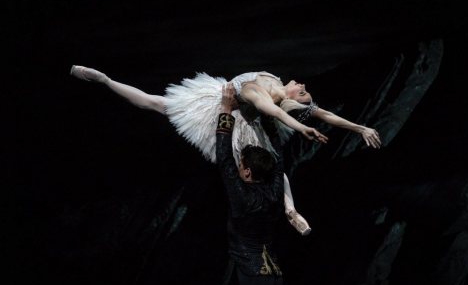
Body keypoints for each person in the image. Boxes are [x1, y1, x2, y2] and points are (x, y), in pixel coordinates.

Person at [70, 65, 381, 234]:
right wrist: (300, 127)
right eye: (304, 91)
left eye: (303, 93)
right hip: (222, 106)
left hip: (245, 119)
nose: (302, 86)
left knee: (272, 167)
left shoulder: (281, 98)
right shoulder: (259, 90)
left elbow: (322, 114)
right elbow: (274, 113)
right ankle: (105, 79)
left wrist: (361, 127)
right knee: (156, 103)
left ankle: (291, 210)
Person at [216, 83, 284, 285]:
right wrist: (267, 114)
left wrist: (226, 109)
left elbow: (224, 158)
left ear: (246, 171)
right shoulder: (274, 194)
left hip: (254, 276)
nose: (237, 168)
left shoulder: (242, 196)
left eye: (241, 165)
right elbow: (279, 159)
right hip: (274, 275)